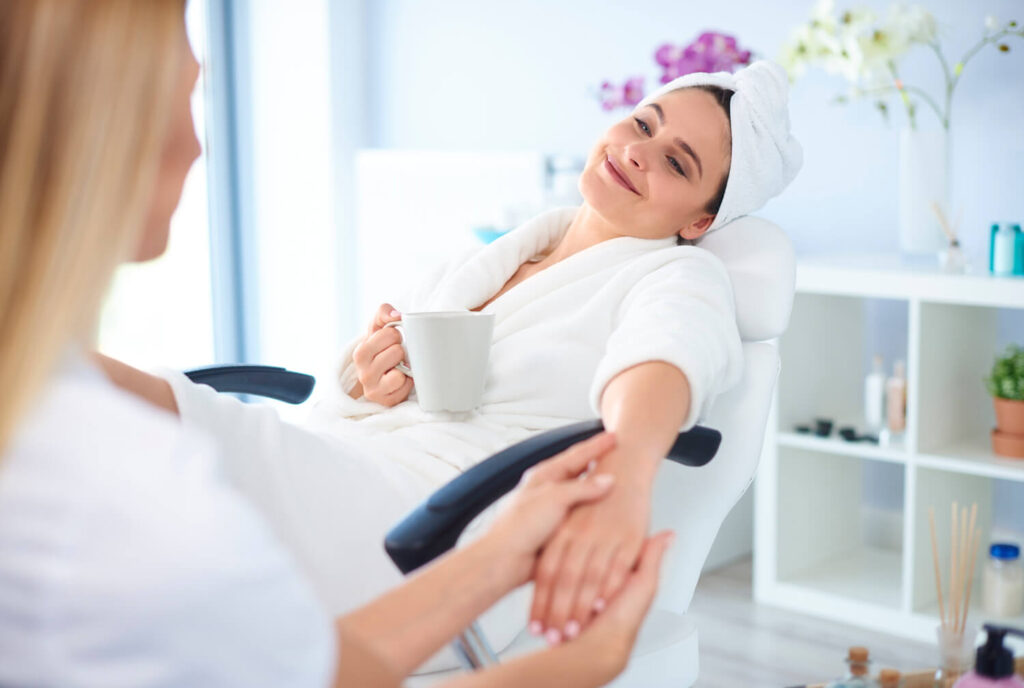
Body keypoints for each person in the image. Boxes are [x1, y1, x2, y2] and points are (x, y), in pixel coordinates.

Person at [0, 1, 670, 685]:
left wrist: (509, 548)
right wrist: (587, 663)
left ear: (703, 218)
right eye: (181, 96)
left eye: (678, 162)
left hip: (425, 489)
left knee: (220, 422)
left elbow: (662, 359)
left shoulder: (671, 275)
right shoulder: (126, 510)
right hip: (359, 462)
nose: (199, 147)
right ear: (86, 119)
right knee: (232, 428)